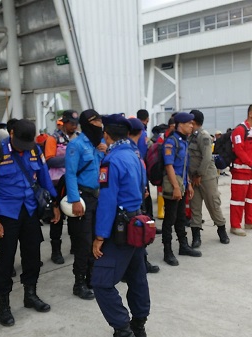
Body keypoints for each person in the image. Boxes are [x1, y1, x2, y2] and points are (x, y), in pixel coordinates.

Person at [0, 119, 60, 327]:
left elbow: (44, 177)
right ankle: (3, 305)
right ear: (12, 132)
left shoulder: (34, 149)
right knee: (6, 261)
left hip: (30, 209)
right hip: (5, 213)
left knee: (33, 255)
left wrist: (55, 204)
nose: (24, 148)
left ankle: (30, 294)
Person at [92, 114, 150, 337]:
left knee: (101, 282)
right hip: (137, 224)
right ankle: (139, 325)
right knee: (137, 276)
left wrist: (99, 236)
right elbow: (143, 189)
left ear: (106, 134)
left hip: (121, 227)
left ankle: (122, 328)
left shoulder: (111, 160)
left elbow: (107, 201)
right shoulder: (135, 155)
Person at [64, 109, 106, 300]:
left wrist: (104, 151)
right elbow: (70, 174)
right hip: (82, 197)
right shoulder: (76, 145)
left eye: (99, 119)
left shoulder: (98, 144)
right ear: (86, 123)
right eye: (94, 120)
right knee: (83, 242)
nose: (98, 123)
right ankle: (78, 283)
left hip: (97, 197)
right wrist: (74, 200)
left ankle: (92, 278)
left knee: (96, 238)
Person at [161, 112, 201, 266]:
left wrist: (188, 184)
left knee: (181, 217)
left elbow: (184, 167)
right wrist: (176, 187)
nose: (192, 126)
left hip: (182, 184)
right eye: (189, 123)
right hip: (173, 186)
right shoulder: (171, 142)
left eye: (192, 124)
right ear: (180, 124)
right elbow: (169, 165)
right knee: (169, 219)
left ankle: (183, 246)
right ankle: (167, 251)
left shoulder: (184, 141)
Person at [187, 110, 230, 246]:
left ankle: (221, 230)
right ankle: (196, 236)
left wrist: (199, 175)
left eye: (189, 121)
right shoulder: (189, 137)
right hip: (193, 177)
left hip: (206, 177)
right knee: (195, 206)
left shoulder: (204, 136)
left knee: (213, 204)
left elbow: (206, 158)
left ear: (193, 122)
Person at [44, 109, 79, 264]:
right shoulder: (53, 139)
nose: (74, 127)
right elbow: (49, 160)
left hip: (73, 182)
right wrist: (70, 159)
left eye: (76, 124)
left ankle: (74, 245)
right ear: (64, 123)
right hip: (57, 183)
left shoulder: (78, 138)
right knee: (57, 217)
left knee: (74, 215)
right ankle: (56, 251)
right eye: (71, 124)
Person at [128, 118, 160, 274]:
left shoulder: (133, 147)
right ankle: (138, 264)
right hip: (132, 195)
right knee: (136, 228)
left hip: (140, 190)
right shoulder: (128, 148)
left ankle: (141, 262)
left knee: (140, 226)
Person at [230, 105, 252, 236]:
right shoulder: (240, 129)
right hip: (240, 172)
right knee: (238, 200)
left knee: (251, 199)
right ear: (251, 114)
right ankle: (235, 225)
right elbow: (239, 150)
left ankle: (250, 222)